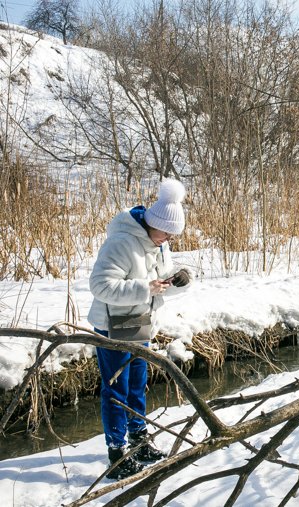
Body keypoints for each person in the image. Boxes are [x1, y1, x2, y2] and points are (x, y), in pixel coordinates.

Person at [87, 178, 191, 480]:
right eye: (167, 231)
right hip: (113, 326)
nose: (170, 237)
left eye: (174, 233)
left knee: (136, 384)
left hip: (138, 324)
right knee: (116, 389)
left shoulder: (158, 243)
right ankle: (117, 453)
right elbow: (100, 285)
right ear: (152, 223)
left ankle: (139, 439)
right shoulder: (122, 242)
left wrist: (175, 282)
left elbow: (156, 284)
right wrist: (144, 288)